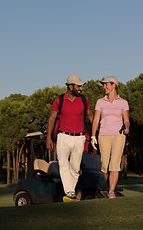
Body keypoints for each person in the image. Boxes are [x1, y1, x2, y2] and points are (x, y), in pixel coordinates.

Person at [46, 74, 93, 202]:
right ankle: (70, 192)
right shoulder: (59, 99)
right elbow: (52, 119)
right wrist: (48, 138)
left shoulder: (84, 99)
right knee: (62, 163)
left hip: (79, 137)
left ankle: (69, 194)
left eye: (81, 86)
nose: (81, 89)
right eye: (78, 86)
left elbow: (90, 116)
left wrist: (95, 134)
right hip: (63, 137)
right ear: (70, 86)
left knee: (75, 167)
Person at [91, 76, 130, 199]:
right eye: (103, 85)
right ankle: (110, 188)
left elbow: (127, 120)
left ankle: (111, 192)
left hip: (119, 135)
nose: (104, 87)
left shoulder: (123, 102)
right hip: (103, 135)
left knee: (114, 164)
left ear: (114, 85)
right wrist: (93, 136)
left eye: (106, 84)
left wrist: (127, 127)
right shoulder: (100, 102)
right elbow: (96, 119)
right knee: (104, 166)